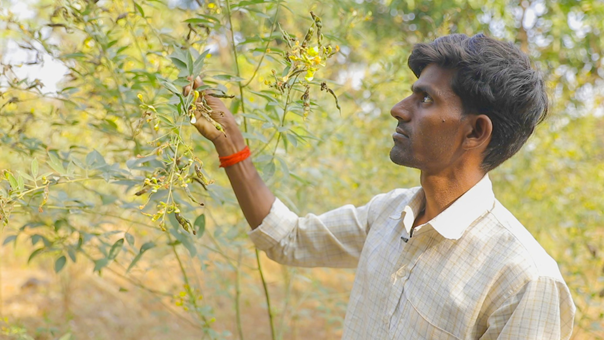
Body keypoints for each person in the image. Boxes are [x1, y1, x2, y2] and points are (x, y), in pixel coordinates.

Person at [184, 33, 575, 339]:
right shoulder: (389, 215)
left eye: (424, 99)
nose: (399, 109)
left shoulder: (524, 279)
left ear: (475, 131)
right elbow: (288, 239)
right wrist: (230, 144)